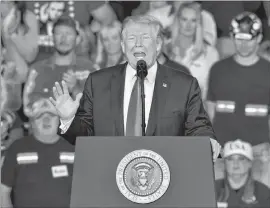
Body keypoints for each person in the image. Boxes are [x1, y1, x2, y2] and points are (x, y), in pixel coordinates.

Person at [49, 15, 221, 161]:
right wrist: (68, 119)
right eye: (131, 39)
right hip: (109, 180)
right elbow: (84, 136)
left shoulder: (184, 85)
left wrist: (208, 140)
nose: (138, 44)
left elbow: (198, 126)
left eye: (145, 38)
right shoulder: (98, 82)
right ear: (123, 46)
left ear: (158, 44)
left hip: (166, 182)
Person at [206, 12, 270, 147]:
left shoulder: (269, 71)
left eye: (249, 39)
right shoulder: (217, 69)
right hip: (222, 147)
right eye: (239, 39)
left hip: (259, 148)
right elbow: (210, 110)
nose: (244, 44)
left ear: (259, 38)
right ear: (231, 36)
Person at [26, 15, 95, 114]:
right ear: (52, 37)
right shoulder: (37, 70)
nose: (63, 38)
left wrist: (76, 89)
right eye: (59, 33)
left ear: (77, 38)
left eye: (69, 33)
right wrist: (49, 109)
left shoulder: (89, 69)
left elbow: (96, 109)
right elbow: (27, 108)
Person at [166, 2, 219, 100]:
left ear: (199, 24)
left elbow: (210, 91)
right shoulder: (164, 49)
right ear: (177, 21)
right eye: (184, 19)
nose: (188, 25)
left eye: (193, 20)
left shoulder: (211, 53)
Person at [216, 139, 270, 208]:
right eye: (230, 159)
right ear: (224, 163)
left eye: (241, 159)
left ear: (250, 163)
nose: (235, 164)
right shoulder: (212, 190)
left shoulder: (264, 194)